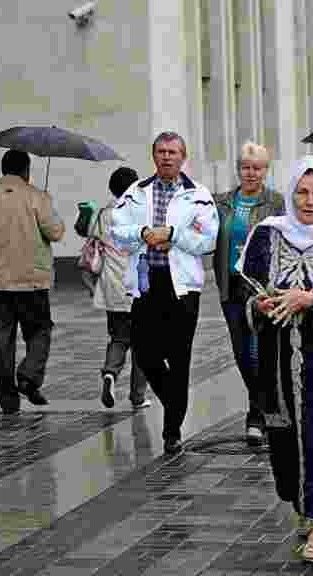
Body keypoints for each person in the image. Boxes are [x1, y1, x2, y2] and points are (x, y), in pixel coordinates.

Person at [239, 156, 313, 564]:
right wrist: (260, 303)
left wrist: (310, 300)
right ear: (290, 193)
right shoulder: (267, 235)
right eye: (302, 192)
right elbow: (244, 295)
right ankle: (303, 510)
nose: (309, 201)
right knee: (285, 444)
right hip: (277, 365)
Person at [111, 131, 219, 456]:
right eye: (161, 151)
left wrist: (174, 235)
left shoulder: (197, 195)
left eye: (173, 152)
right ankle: (175, 402)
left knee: (179, 357)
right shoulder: (136, 192)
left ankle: (172, 430)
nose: (167, 157)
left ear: (183, 157)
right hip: (146, 283)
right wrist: (143, 234)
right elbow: (117, 231)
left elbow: (208, 238)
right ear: (153, 156)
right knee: (145, 353)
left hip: (182, 287)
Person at [0, 149, 66, 414]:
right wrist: (47, 203)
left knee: (0, 342)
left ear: (3, 169)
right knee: (40, 330)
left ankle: (8, 402)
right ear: (26, 170)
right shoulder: (36, 197)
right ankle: (29, 375)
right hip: (30, 281)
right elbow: (56, 232)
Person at [214, 141, 284, 446]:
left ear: (266, 170)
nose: (251, 173)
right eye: (246, 167)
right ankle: (262, 405)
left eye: (257, 168)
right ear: (238, 169)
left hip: (263, 286)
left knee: (264, 350)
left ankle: (257, 415)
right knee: (243, 352)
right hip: (232, 285)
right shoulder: (224, 202)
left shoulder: (277, 202)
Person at [94, 167, 151, 411]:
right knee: (143, 344)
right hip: (138, 286)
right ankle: (137, 396)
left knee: (118, 337)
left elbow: (90, 236)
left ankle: (110, 373)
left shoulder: (105, 213)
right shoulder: (142, 213)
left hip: (112, 287)